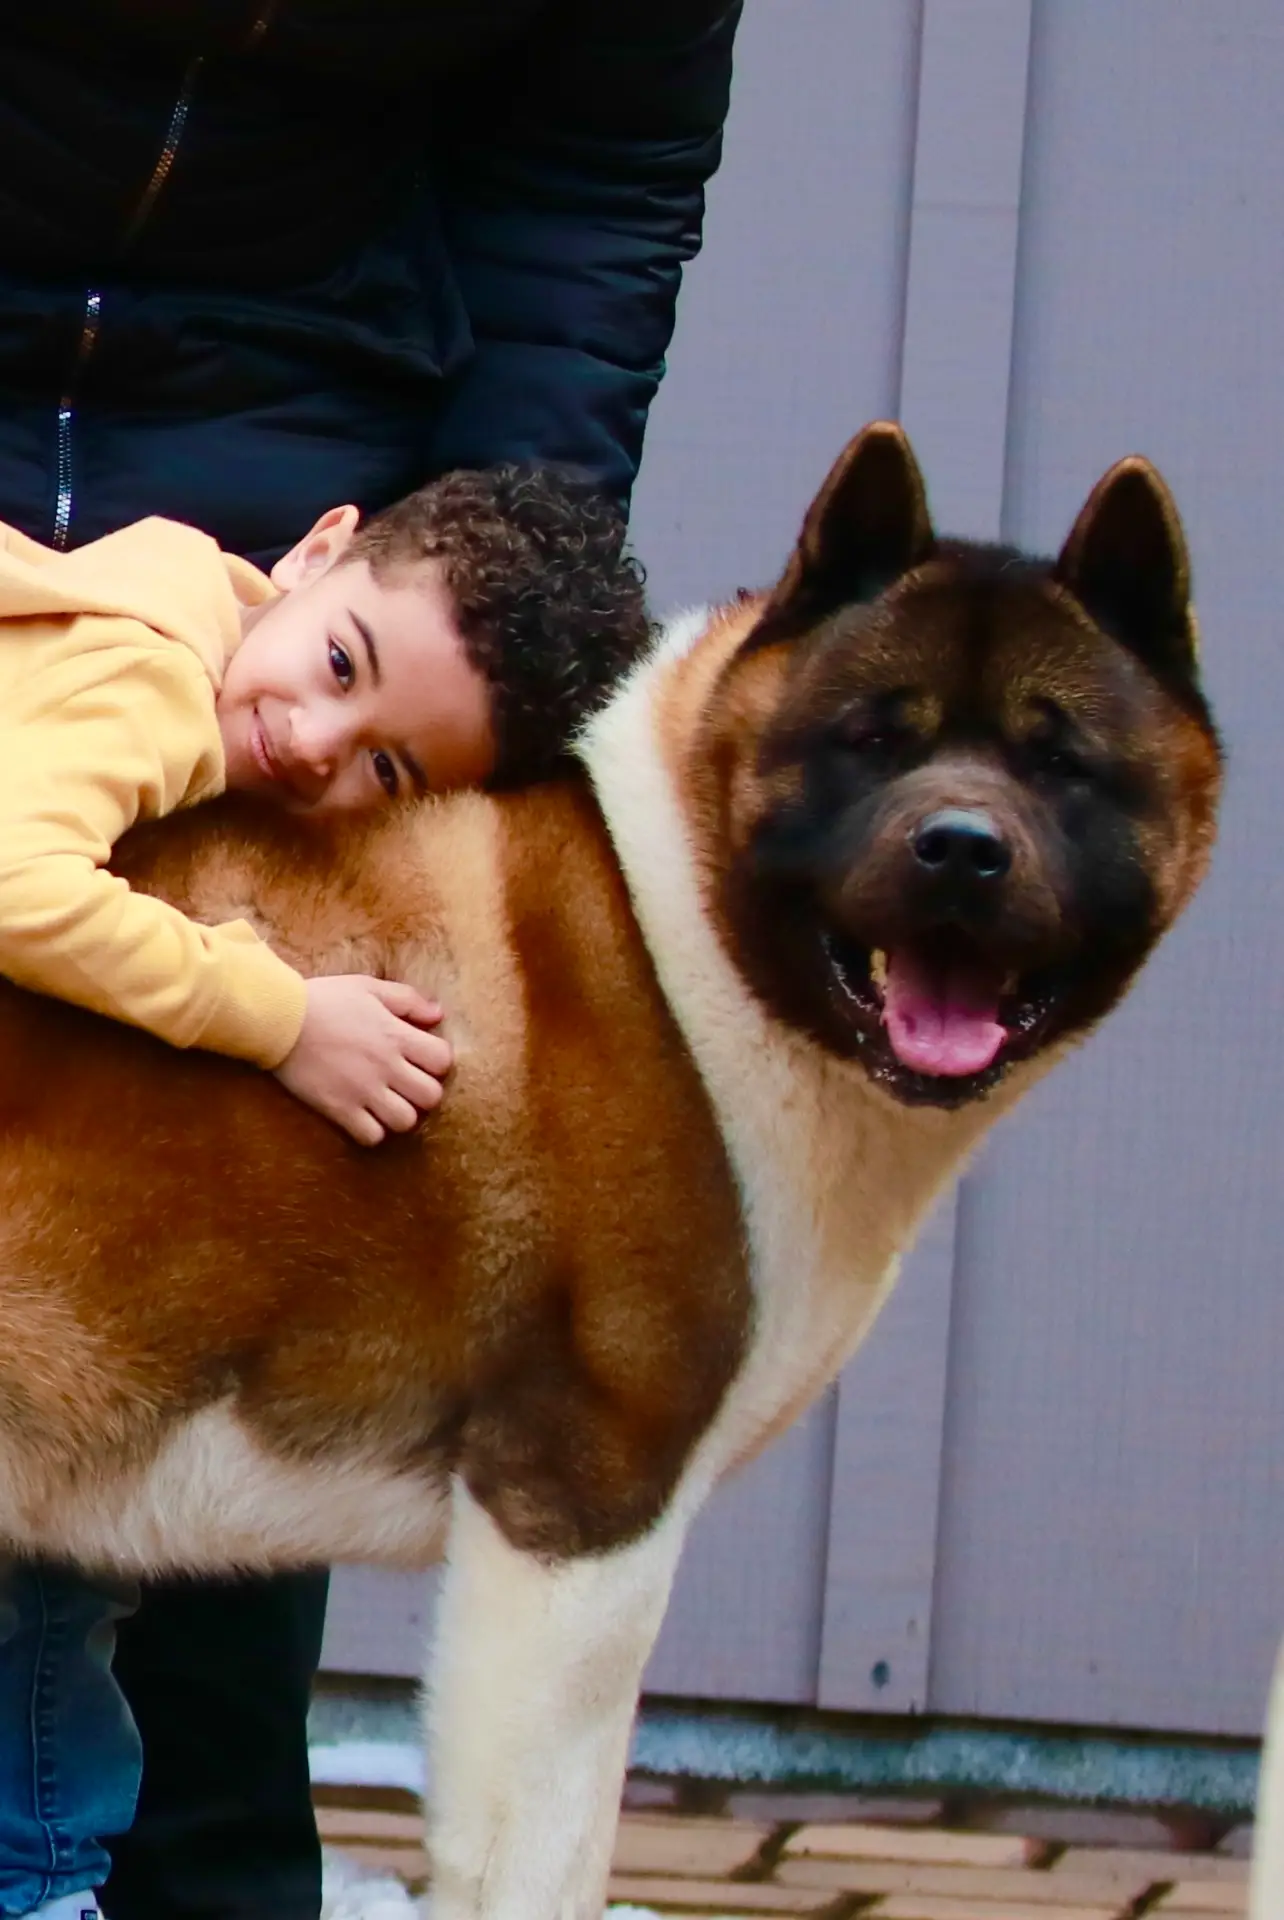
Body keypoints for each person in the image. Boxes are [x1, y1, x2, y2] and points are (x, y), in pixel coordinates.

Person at [0, 6, 743, 1917]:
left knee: (210, 1269)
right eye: (360, 708)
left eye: (392, 754)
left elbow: (594, 177)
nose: (347, 752)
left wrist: (470, 603)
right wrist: (280, 1008)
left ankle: (192, 1872)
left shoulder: (308, 666)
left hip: (296, 473)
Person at [0, 462, 651, 1920]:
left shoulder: (155, 600)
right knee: (40, 1649)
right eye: (342, 662)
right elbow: (15, 885)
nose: (311, 742)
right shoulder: (152, 675)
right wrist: (281, 1016)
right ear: (316, 547)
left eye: (389, 770)